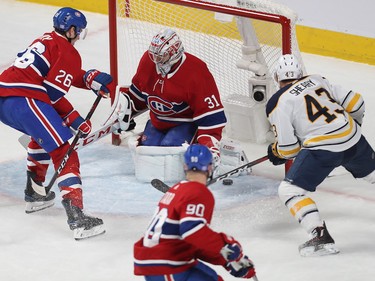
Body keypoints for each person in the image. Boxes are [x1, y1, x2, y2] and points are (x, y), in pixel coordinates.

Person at [0, 7, 114, 240]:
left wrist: (87, 79)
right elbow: (52, 96)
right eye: (78, 31)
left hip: (6, 99)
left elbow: (57, 73)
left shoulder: (47, 39)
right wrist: (75, 119)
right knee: (64, 149)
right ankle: (77, 215)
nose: (79, 35)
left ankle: (35, 192)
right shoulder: (68, 52)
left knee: (42, 136)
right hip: (25, 99)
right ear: (72, 30)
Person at [266, 54, 375, 257]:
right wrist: (354, 127)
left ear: (276, 78)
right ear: (301, 73)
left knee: (289, 190)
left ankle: (320, 235)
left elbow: (289, 149)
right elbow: (356, 103)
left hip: (323, 150)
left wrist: (276, 152)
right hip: (352, 138)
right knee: (372, 175)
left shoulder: (277, 102)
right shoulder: (316, 79)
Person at [133, 144, 256, 280]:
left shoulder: (177, 189)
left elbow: (192, 240)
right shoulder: (198, 192)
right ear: (210, 167)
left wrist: (225, 260)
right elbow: (192, 231)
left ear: (185, 166)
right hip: (167, 262)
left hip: (165, 259)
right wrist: (224, 245)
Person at [116, 28, 227, 172]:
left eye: (161, 56)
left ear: (174, 53)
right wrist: (126, 112)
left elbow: (210, 117)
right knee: (147, 152)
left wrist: (209, 148)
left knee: (171, 151)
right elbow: (138, 93)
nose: (156, 60)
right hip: (157, 121)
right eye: (154, 55)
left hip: (184, 123)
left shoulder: (196, 71)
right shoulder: (148, 61)